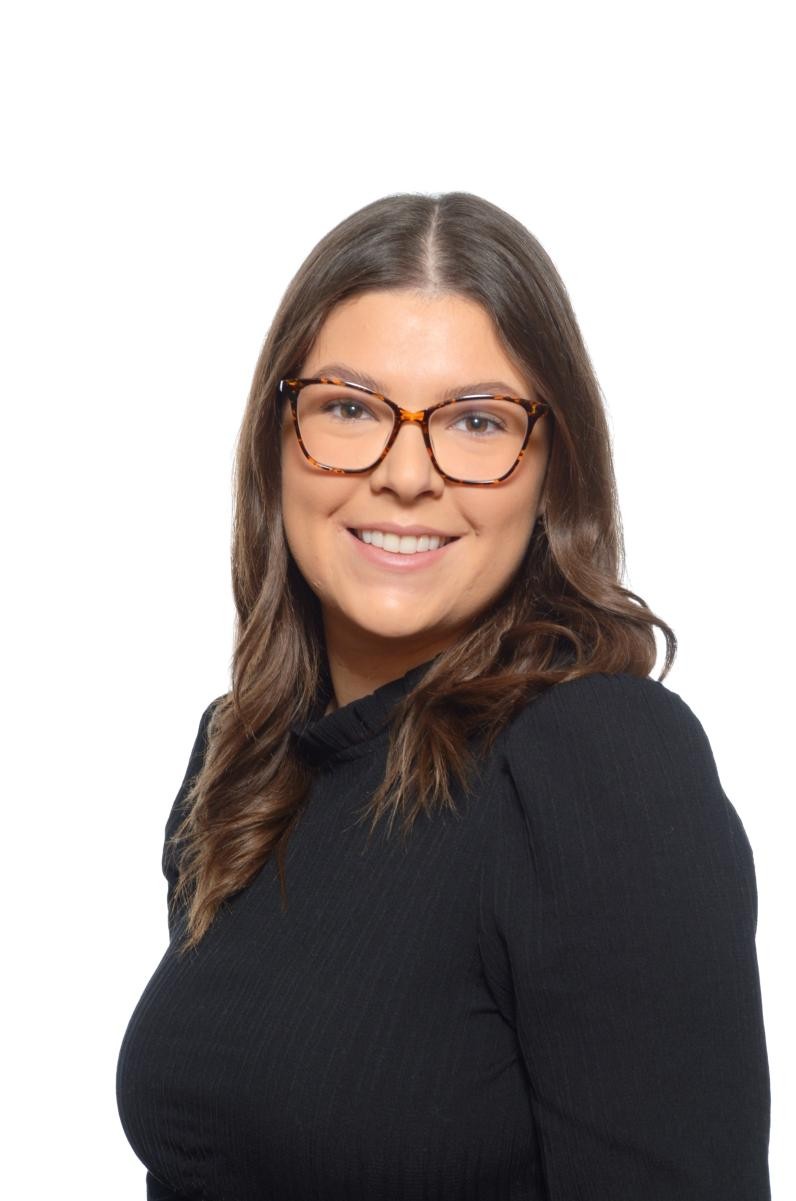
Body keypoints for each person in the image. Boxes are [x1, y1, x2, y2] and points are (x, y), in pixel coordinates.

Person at [116, 192, 771, 1201]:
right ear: (276, 441)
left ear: (552, 473)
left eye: (475, 421)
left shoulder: (601, 759)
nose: (406, 474)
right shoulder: (242, 756)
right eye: (348, 407)